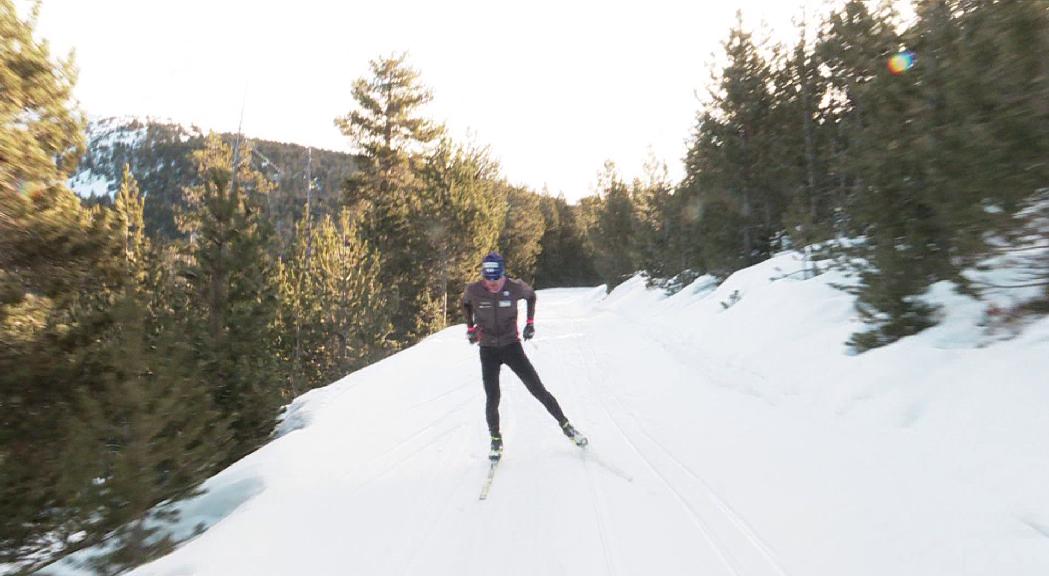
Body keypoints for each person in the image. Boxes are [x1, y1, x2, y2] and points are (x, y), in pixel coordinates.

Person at [462, 252, 587, 461]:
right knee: (493, 397)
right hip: (488, 349)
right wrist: (470, 327)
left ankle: (567, 426)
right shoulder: (474, 290)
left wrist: (530, 323)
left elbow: (531, 296)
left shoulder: (515, 287)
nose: (492, 283)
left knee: (537, 390)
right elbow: (465, 303)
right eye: (487, 278)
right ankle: (495, 439)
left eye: (496, 278)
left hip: (512, 346)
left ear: (503, 274)